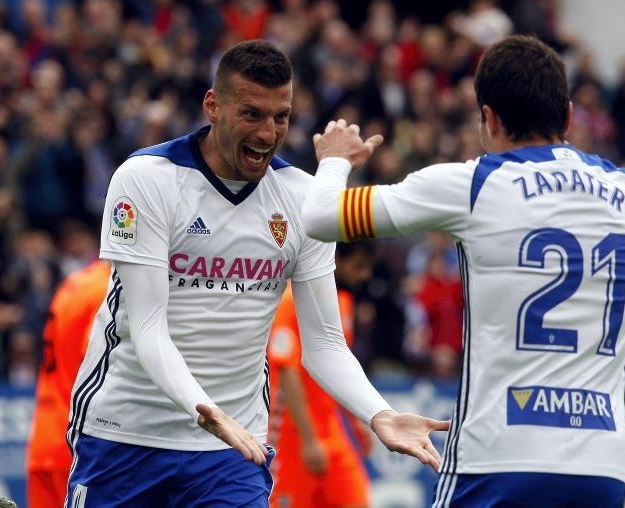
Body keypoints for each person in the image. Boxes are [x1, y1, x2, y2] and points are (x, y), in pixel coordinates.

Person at [301, 35, 625, 507]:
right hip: (602, 465)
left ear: (487, 117)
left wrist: (334, 162)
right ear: (568, 115)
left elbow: (321, 218)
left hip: (499, 458)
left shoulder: (473, 183)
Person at [65, 40, 448, 507]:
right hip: (125, 433)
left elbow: (325, 345)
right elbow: (147, 329)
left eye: (281, 117)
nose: (268, 133)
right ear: (213, 106)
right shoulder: (147, 179)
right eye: (252, 114)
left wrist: (379, 413)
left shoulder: (302, 199)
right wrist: (206, 411)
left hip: (231, 450)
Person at [268, 241, 376, 508]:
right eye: (359, 266)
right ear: (336, 258)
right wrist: (308, 440)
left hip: (331, 432)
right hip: (291, 438)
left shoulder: (344, 303)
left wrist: (358, 420)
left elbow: (339, 372)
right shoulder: (291, 302)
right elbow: (286, 369)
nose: (365, 275)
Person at [25, 260, 110, 508]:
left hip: (43, 438)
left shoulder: (76, 281)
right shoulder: (109, 288)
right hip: (76, 446)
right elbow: (98, 364)